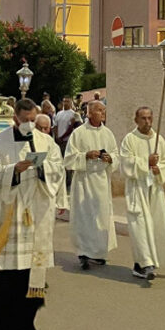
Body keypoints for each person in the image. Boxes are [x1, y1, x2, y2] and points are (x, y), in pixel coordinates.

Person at [0, 98, 65, 330]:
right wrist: (14, 170)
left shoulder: (46, 141)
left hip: (36, 214)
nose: (30, 126)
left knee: (31, 276)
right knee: (2, 274)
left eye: (34, 120)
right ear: (14, 118)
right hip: (8, 214)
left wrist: (43, 170)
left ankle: (26, 329)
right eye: (25, 121)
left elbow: (58, 169)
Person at [120, 107, 165, 280]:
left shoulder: (159, 140)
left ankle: (144, 264)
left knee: (155, 226)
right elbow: (125, 163)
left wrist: (157, 168)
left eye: (149, 118)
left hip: (154, 189)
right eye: (143, 118)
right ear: (136, 120)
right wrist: (145, 161)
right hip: (137, 189)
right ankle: (145, 264)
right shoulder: (129, 140)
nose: (147, 121)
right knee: (139, 227)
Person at [64, 101, 118, 269]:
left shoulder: (108, 133)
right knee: (84, 217)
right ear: (89, 113)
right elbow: (68, 158)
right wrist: (85, 155)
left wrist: (110, 159)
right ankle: (84, 253)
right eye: (99, 110)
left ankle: (99, 252)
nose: (103, 113)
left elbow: (116, 154)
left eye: (104, 110)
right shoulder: (78, 133)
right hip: (84, 181)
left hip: (101, 180)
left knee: (100, 216)